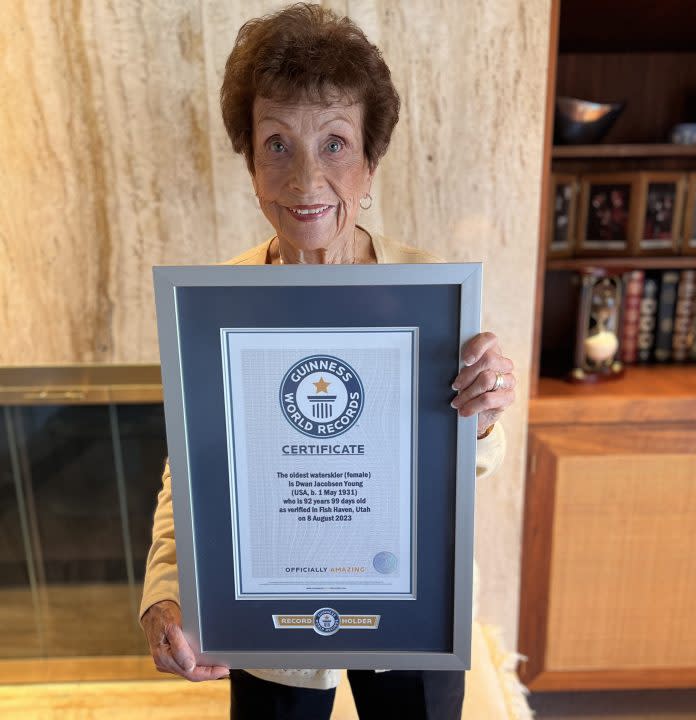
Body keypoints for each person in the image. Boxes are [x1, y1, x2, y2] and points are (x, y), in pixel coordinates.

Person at [140, 4, 516, 719]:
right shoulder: (218, 310)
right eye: (278, 144)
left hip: (413, 609)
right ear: (250, 162)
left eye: (335, 143)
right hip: (268, 618)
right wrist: (166, 589)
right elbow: (188, 471)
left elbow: (468, 464)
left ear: (371, 162)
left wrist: (487, 414)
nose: (307, 179)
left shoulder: (429, 296)